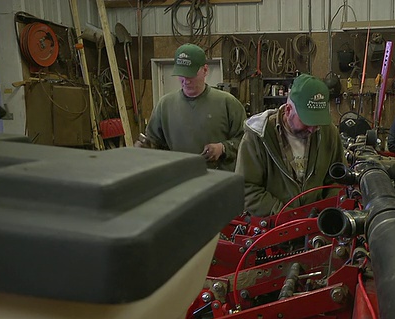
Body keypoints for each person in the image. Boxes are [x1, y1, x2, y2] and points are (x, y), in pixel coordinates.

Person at [235, 74, 345, 217]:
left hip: (316, 225)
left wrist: (325, 212)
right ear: (288, 110)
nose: (312, 128)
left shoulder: (328, 132)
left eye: (318, 120)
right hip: (273, 227)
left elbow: (337, 179)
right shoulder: (258, 137)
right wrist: (287, 215)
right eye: (307, 120)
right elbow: (245, 188)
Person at [139, 43, 246, 171]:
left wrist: (222, 148)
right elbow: (154, 142)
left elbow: (245, 141)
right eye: (181, 75)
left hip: (217, 181)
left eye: (191, 75)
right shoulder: (164, 105)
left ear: (205, 70)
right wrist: (145, 147)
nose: (186, 81)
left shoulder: (228, 103)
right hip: (177, 179)